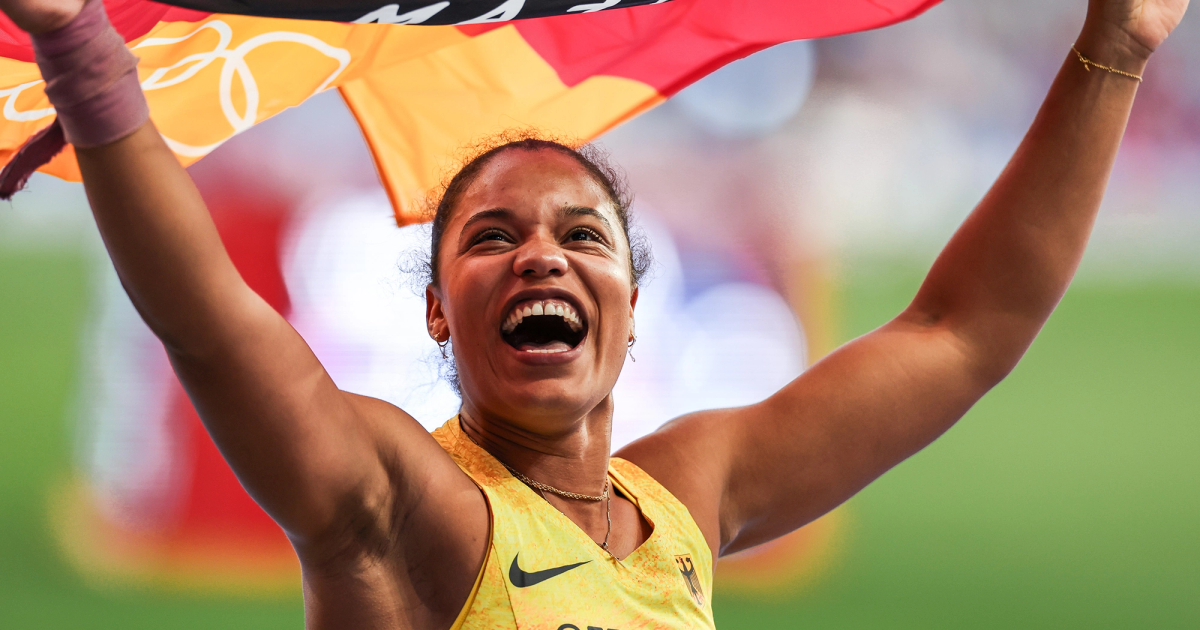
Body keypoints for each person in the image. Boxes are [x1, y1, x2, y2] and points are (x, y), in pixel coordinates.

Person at [0, 0, 1190, 628]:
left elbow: (961, 335)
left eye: (581, 236)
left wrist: (1117, 46)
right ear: (436, 314)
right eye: (490, 238)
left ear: (631, 303)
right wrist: (80, 50)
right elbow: (211, 323)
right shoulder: (403, 506)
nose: (540, 256)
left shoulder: (689, 497)